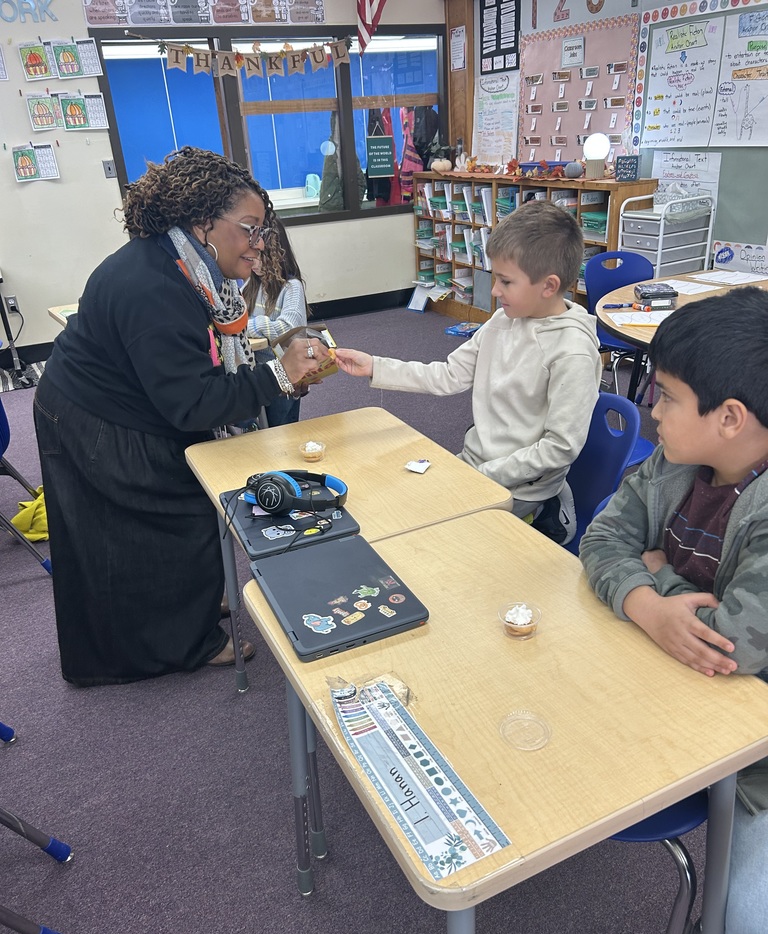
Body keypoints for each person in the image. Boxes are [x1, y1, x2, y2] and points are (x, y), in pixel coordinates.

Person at [34, 146, 327, 687]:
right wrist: (278, 376)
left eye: (263, 230)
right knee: (170, 512)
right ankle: (178, 642)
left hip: (117, 400)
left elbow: (202, 363)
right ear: (203, 223)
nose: (260, 243)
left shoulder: (182, 264)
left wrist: (271, 369)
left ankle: (181, 611)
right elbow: (191, 403)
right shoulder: (155, 285)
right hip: (94, 416)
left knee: (155, 521)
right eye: (249, 229)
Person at [579, 288, 768, 934]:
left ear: (729, 417)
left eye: (667, 397)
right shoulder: (672, 461)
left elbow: (734, 642)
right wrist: (654, 605)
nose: (651, 410)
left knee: (748, 922)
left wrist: (649, 573)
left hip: (756, 764)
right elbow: (600, 538)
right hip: (673, 697)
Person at [334, 200, 602, 544]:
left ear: (548, 286)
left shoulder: (572, 350)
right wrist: (376, 365)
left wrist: (481, 475)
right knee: (393, 506)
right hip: (476, 466)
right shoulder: (504, 320)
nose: (494, 291)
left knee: (428, 541)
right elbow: (447, 375)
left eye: (506, 281)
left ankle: (548, 514)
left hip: (519, 486)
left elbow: (560, 448)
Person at [241, 213, 308, 427]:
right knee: (263, 429)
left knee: (282, 429)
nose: (254, 264)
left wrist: (246, 326)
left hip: (285, 374)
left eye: (260, 257)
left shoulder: (291, 287)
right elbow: (236, 313)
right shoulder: (253, 285)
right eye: (249, 258)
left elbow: (286, 328)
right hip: (260, 372)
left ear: (278, 255)